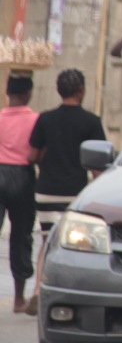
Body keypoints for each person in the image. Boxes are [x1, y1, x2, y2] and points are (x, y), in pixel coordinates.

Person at [27, 69, 106, 303]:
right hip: (75, 194)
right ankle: (73, 294)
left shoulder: (45, 119)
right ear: (81, 90)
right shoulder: (91, 122)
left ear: (58, 90)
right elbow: (97, 166)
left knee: (46, 241)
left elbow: (32, 155)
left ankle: (38, 290)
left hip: (46, 191)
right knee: (78, 247)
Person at [0, 75, 37, 313]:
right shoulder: (36, 119)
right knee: (21, 236)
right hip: (24, 177)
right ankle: (18, 299)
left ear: (7, 93)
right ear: (28, 93)